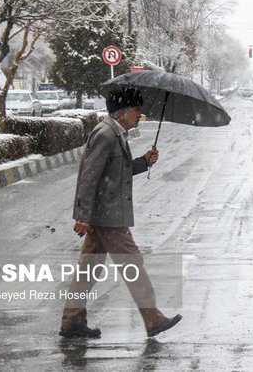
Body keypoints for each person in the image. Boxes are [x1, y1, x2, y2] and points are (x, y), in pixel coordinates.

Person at [60, 88, 182, 339]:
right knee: (132, 264)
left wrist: (144, 161)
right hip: (108, 214)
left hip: (105, 212)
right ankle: (153, 318)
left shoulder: (115, 133)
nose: (140, 115)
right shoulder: (106, 134)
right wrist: (82, 215)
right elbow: (90, 176)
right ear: (123, 111)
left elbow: (116, 171)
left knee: (88, 269)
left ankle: (72, 322)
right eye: (137, 110)